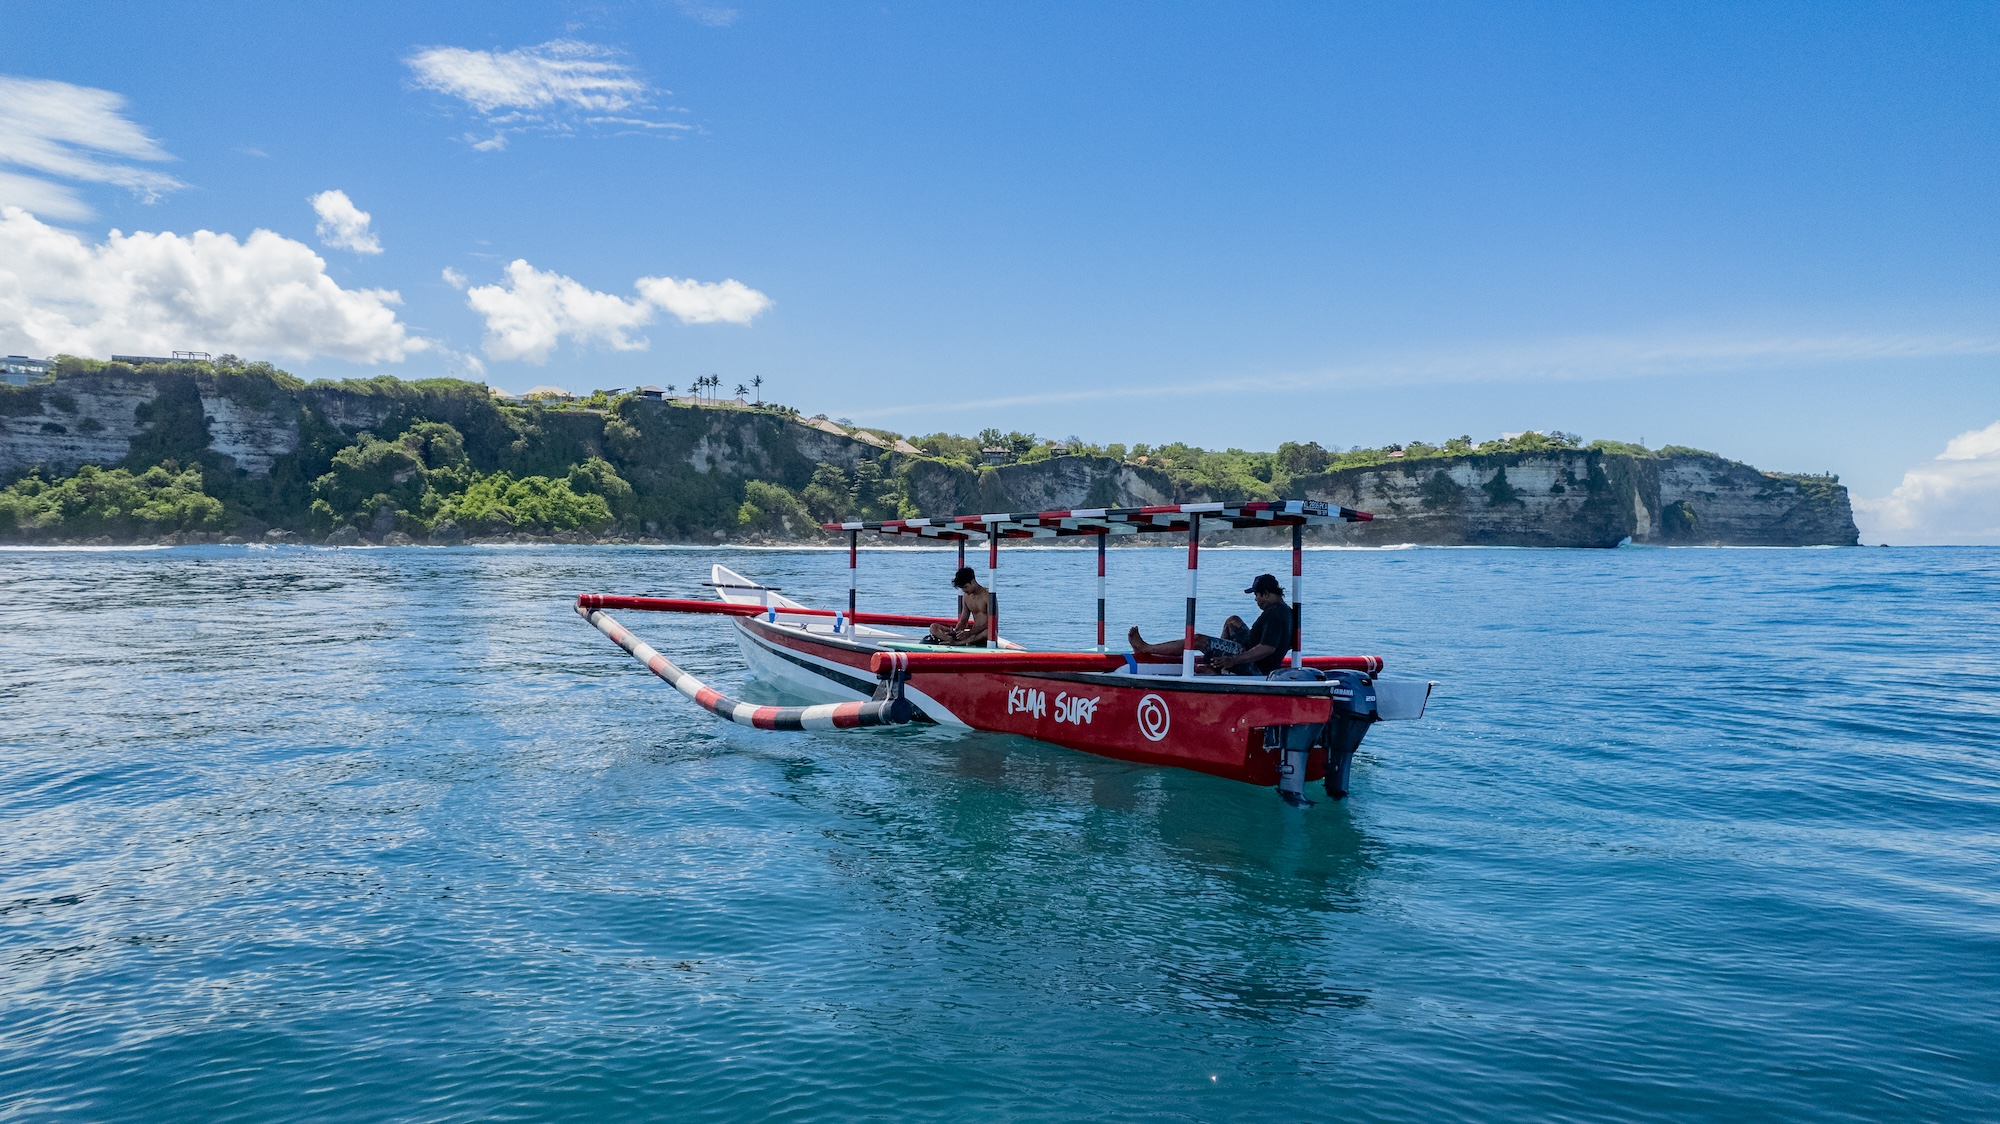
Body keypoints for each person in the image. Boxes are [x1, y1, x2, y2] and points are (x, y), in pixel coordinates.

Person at [1128, 573, 1293, 675]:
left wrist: (1233, 660)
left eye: (1256, 595)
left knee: (1198, 640)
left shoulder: (1273, 615)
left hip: (1255, 665)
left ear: (1266, 594)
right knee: (1233, 621)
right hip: (1249, 647)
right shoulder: (1286, 611)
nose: (1255, 600)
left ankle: (1146, 648)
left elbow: (1267, 648)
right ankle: (1215, 664)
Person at [927, 567, 992, 646]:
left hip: (983, 634)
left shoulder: (987, 595)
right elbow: (964, 620)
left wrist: (970, 633)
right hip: (972, 634)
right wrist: (956, 631)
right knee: (933, 627)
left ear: (972, 582)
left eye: (965, 587)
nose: (964, 590)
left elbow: (991, 622)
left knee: (988, 631)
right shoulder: (966, 596)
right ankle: (951, 640)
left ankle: (957, 643)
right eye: (962, 588)